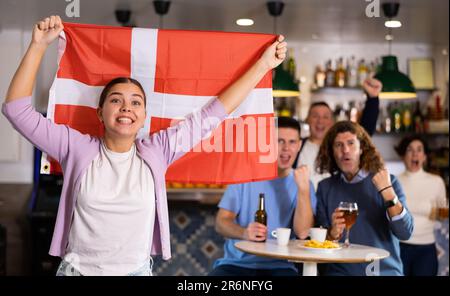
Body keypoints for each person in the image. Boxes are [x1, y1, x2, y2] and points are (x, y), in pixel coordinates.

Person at [1, 15, 288, 276]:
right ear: (100, 113)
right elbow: (16, 111)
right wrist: (38, 45)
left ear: (143, 117)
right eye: (116, 99)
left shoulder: (158, 151)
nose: (126, 107)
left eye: (135, 102)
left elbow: (214, 113)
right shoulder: (75, 147)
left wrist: (263, 65)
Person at [209, 117, 316, 276]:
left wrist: (303, 190)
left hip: (281, 267)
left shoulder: (304, 184)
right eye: (279, 141)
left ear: (299, 145)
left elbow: (302, 232)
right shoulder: (244, 176)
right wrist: (244, 233)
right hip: (236, 265)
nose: (286, 148)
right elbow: (221, 222)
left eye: (292, 142)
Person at [315, 121, 414, 276]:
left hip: (383, 271)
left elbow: (405, 233)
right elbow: (318, 244)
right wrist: (332, 234)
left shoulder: (388, 182)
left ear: (362, 148)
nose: (345, 150)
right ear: (331, 151)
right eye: (338, 145)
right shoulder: (325, 188)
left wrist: (388, 193)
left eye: (351, 143)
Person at [294, 78, 382, 190]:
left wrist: (373, 98)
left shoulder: (339, 147)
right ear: (307, 120)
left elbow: (364, 132)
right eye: (315, 116)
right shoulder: (296, 145)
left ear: (332, 122)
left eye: (325, 117)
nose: (320, 121)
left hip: (334, 205)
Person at [395, 135, 447, 276]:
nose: (415, 154)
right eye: (409, 150)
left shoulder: (437, 182)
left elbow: (442, 215)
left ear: (424, 157)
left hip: (426, 249)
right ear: (403, 156)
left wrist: (438, 213)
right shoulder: (394, 181)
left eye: (419, 150)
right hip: (399, 247)